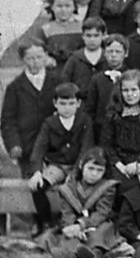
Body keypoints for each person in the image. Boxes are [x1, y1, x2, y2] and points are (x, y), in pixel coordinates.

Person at [1, 42, 61, 229]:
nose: (35, 62)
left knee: (54, 184)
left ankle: (58, 223)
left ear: (46, 56)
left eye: (39, 57)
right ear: (23, 60)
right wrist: (14, 145)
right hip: (28, 147)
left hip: (55, 146)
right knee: (33, 185)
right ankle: (38, 225)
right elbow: (8, 120)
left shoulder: (57, 81)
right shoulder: (15, 87)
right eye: (30, 58)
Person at [27, 82, 95, 226]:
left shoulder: (85, 120)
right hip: (56, 166)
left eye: (71, 103)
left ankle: (76, 223)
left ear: (78, 103)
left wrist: (76, 172)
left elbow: (86, 148)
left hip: (78, 165)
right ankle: (45, 223)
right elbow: (39, 148)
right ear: (55, 103)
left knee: (79, 188)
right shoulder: (49, 123)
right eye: (62, 104)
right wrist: (37, 171)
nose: (67, 108)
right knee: (38, 186)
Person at [43, 147, 120, 258]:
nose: (94, 174)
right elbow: (67, 212)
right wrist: (73, 227)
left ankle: (94, 255)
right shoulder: (69, 187)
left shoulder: (107, 187)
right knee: (67, 236)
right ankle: (69, 254)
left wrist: (82, 225)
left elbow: (102, 213)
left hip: (97, 222)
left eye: (99, 170)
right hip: (74, 223)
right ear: (81, 165)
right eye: (90, 168)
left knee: (99, 234)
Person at [102, 68, 140, 184]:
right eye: (125, 90)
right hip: (118, 163)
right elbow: (106, 144)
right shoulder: (113, 114)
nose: (130, 94)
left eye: (134, 90)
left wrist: (138, 164)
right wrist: (120, 166)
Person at [85, 34, 127, 141]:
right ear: (104, 53)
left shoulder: (131, 77)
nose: (113, 55)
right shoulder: (97, 79)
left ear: (126, 53)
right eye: (110, 51)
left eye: (118, 52)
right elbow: (90, 109)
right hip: (102, 130)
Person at [29, 0, 84, 67]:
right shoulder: (46, 29)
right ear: (52, 7)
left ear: (74, 7)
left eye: (67, 6)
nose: (63, 10)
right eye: (59, 6)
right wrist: (46, 59)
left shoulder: (81, 27)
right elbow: (36, 49)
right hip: (54, 67)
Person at [59, 18, 107, 102]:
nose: (92, 39)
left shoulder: (107, 57)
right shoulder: (75, 58)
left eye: (96, 35)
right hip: (81, 102)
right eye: (88, 35)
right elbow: (65, 80)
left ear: (103, 36)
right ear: (83, 36)